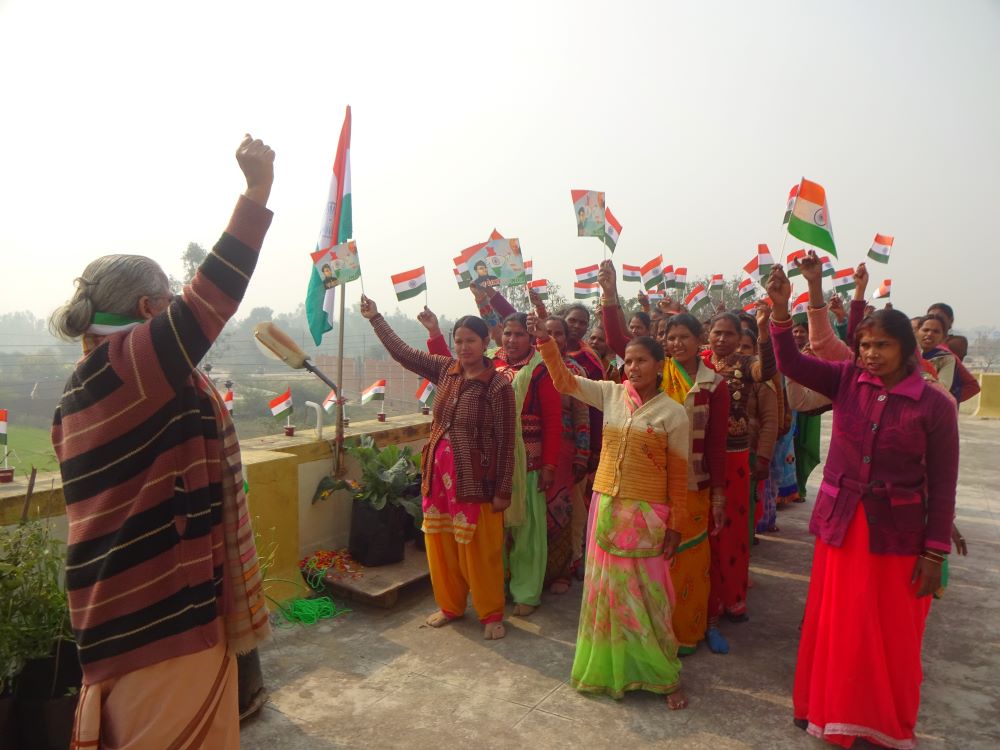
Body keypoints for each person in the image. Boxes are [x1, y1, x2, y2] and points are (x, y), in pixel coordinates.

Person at [50, 135, 275, 748]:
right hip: (156, 619)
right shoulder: (126, 365)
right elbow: (211, 300)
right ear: (149, 307)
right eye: (169, 302)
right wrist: (256, 194)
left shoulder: (90, 382)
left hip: (131, 608)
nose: (178, 308)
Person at [765, 265, 958, 750]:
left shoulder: (935, 405)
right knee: (838, 625)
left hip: (899, 532)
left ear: (907, 350)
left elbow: (944, 483)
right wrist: (781, 309)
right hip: (844, 526)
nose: (871, 355)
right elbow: (789, 362)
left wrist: (935, 553)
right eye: (866, 345)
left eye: (882, 346)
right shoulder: (848, 378)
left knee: (890, 634)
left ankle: (882, 721)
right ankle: (827, 712)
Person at [526, 310, 691, 710]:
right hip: (605, 505)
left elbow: (678, 476)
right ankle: (609, 668)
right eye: (629, 361)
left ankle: (660, 675)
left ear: (660, 365)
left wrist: (676, 524)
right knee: (607, 595)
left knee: (649, 597)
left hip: (649, 514)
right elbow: (563, 380)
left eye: (642, 361)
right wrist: (546, 343)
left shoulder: (674, 413)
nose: (633, 367)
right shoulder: (610, 393)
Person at [361, 296, 515, 639]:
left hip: (477, 480)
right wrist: (376, 317)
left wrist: (504, 489)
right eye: (458, 340)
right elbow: (403, 353)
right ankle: (450, 606)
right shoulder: (446, 369)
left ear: (485, 342)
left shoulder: (498, 385)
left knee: (481, 550)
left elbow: (506, 439)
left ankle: (491, 613)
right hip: (438, 476)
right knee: (440, 544)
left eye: (470, 341)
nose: (463, 347)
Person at [661, 314, 730, 655]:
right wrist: (610, 295)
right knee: (657, 560)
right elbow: (618, 341)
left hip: (695, 485)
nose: (676, 344)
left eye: (683, 336)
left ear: (698, 338)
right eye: (671, 337)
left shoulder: (715, 384)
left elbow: (717, 445)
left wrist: (718, 493)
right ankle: (656, 631)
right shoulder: (655, 375)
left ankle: (696, 627)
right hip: (655, 483)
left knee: (693, 560)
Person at [702, 309, 776, 624]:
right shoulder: (698, 362)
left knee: (731, 530)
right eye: (717, 332)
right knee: (703, 529)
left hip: (734, 456)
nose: (722, 338)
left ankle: (732, 598)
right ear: (708, 335)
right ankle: (705, 599)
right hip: (699, 455)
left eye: (729, 333)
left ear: (738, 338)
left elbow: (768, 370)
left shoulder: (745, 365)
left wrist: (763, 330)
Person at [494, 312, 563, 616]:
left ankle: (526, 591)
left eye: (519, 334)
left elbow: (552, 420)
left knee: (527, 531)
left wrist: (548, 465)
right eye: (507, 333)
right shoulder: (491, 365)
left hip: (530, 463)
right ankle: (495, 586)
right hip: (494, 460)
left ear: (531, 337)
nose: (511, 340)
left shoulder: (541, 369)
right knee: (495, 531)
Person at [917, 314, 957, 394]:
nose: (929, 334)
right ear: (917, 332)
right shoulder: (905, 353)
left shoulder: (946, 359)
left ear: (944, 337)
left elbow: (943, 388)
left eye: (936, 331)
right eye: (925, 330)